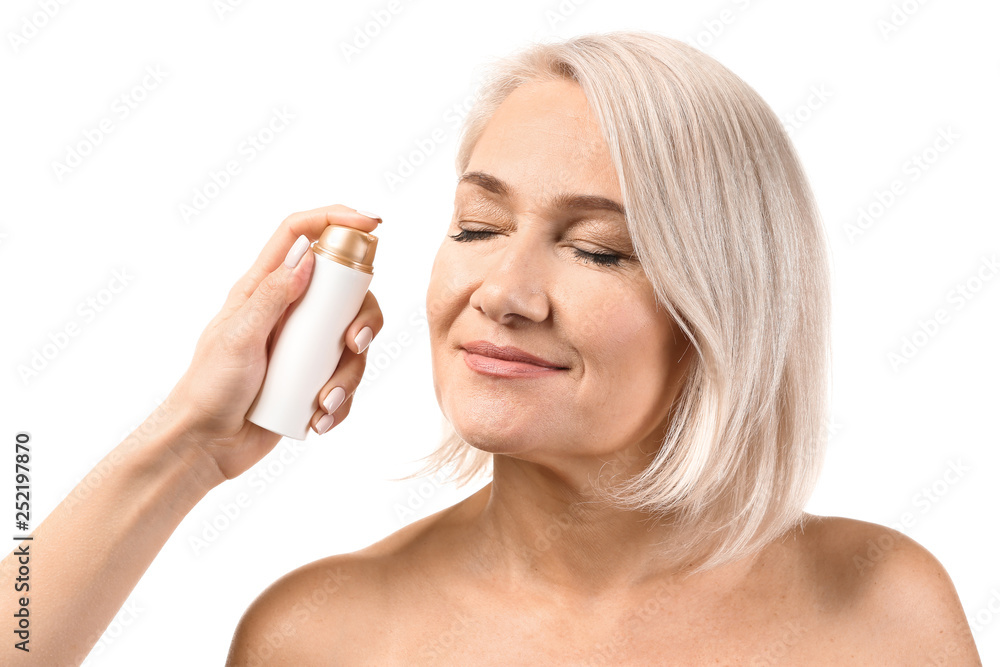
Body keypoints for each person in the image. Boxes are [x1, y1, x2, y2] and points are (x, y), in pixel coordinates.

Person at [2, 30, 981, 666]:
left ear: (724, 305)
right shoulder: (323, 635)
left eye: (596, 247)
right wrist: (187, 445)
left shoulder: (881, 609)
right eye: (475, 226)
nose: (502, 295)